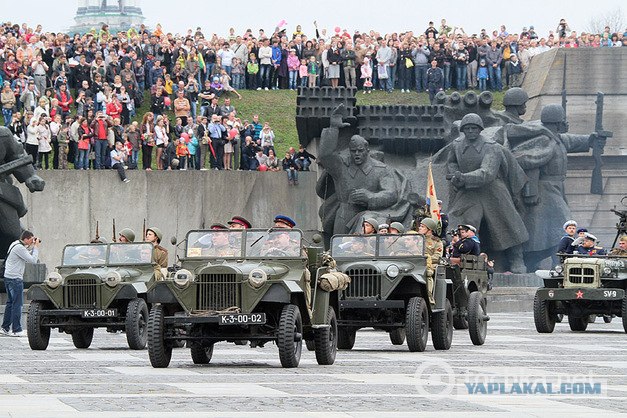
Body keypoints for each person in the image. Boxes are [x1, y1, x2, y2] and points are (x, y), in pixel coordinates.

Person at [447, 113, 528, 273]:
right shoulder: (456, 144)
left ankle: (516, 259)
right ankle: (465, 260)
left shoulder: (491, 147)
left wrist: (464, 177)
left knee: (508, 224)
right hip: (469, 192)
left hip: (493, 191)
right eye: (467, 128)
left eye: (474, 128)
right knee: (464, 226)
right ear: (463, 130)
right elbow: (452, 162)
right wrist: (455, 174)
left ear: (480, 129)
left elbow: (488, 173)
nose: (470, 131)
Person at [1, 230, 40, 337]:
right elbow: (33, 260)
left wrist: (32, 247)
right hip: (15, 279)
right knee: (17, 305)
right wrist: (36, 247)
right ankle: (16, 329)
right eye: (31, 239)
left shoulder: (15, 244)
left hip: (8, 277)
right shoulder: (19, 248)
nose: (32, 241)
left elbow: (25, 255)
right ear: (26, 239)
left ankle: (5, 327)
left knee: (10, 303)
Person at [418, 218, 443, 304]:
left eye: (422, 227)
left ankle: (429, 296)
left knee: (428, 273)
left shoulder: (436, 242)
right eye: (420, 226)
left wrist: (425, 258)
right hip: (416, 264)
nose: (419, 228)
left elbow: (437, 256)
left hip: (430, 264)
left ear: (429, 229)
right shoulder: (415, 239)